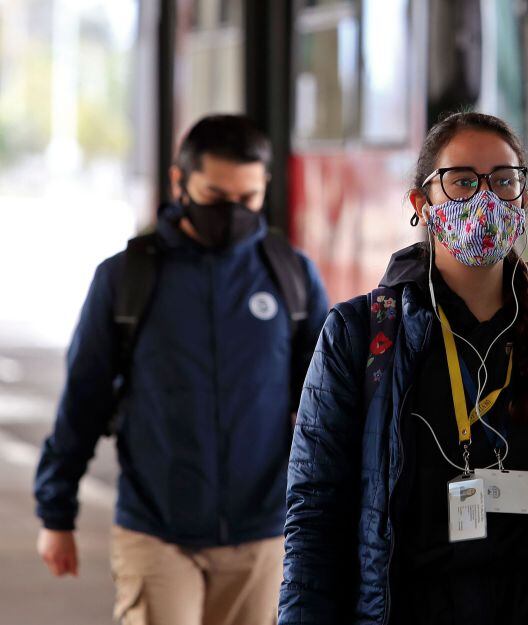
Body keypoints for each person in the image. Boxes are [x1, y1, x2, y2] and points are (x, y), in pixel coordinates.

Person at [278, 111, 528, 625]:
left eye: (503, 181)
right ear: (422, 204)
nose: (485, 199)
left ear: (523, 199)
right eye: (462, 182)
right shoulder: (360, 335)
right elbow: (315, 513)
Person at [34, 114, 329, 625]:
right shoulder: (127, 277)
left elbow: (327, 404)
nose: (232, 212)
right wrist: (56, 511)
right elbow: (84, 396)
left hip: (265, 531)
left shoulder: (291, 275)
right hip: (156, 530)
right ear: (180, 182)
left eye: (248, 198)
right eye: (215, 196)